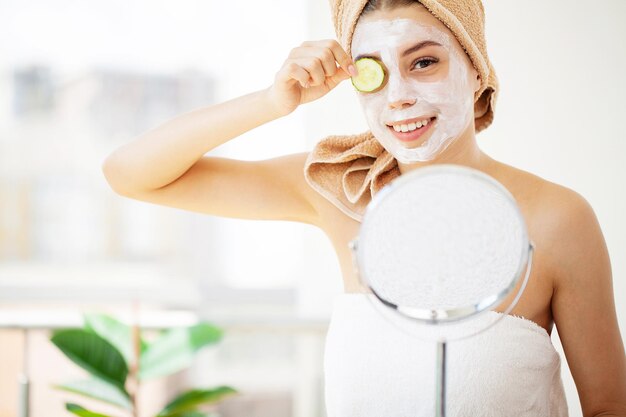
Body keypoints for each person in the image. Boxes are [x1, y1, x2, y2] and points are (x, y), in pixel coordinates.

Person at [102, 0, 626, 415]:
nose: (397, 96)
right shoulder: (339, 193)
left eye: (424, 62)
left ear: (476, 68)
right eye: (372, 72)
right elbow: (129, 173)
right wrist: (271, 101)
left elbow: (608, 407)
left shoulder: (558, 218)